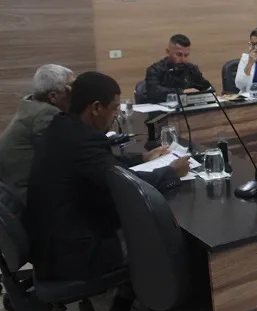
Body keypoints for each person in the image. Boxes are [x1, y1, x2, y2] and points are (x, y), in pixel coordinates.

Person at [24, 71, 190, 282]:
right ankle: (163, 299)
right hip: (75, 255)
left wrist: (142, 157)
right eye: (114, 108)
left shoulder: (63, 127)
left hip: (54, 244)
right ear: (95, 108)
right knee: (162, 237)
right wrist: (172, 172)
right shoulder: (83, 142)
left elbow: (106, 166)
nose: (116, 115)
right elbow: (126, 187)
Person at [0, 65, 74, 202]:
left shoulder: (31, 104)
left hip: (11, 189)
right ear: (53, 96)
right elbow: (66, 153)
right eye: (69, 89)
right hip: (25, 196)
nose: (73, 93)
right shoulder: (46, 114)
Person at [145, 34, 211, 103]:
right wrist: (182, 92)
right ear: (168, 52)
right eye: (179, 55)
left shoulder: (192, 69)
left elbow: (208, 89)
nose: (183, 59)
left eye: (186, 55)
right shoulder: (155, 70)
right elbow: (153, 92)